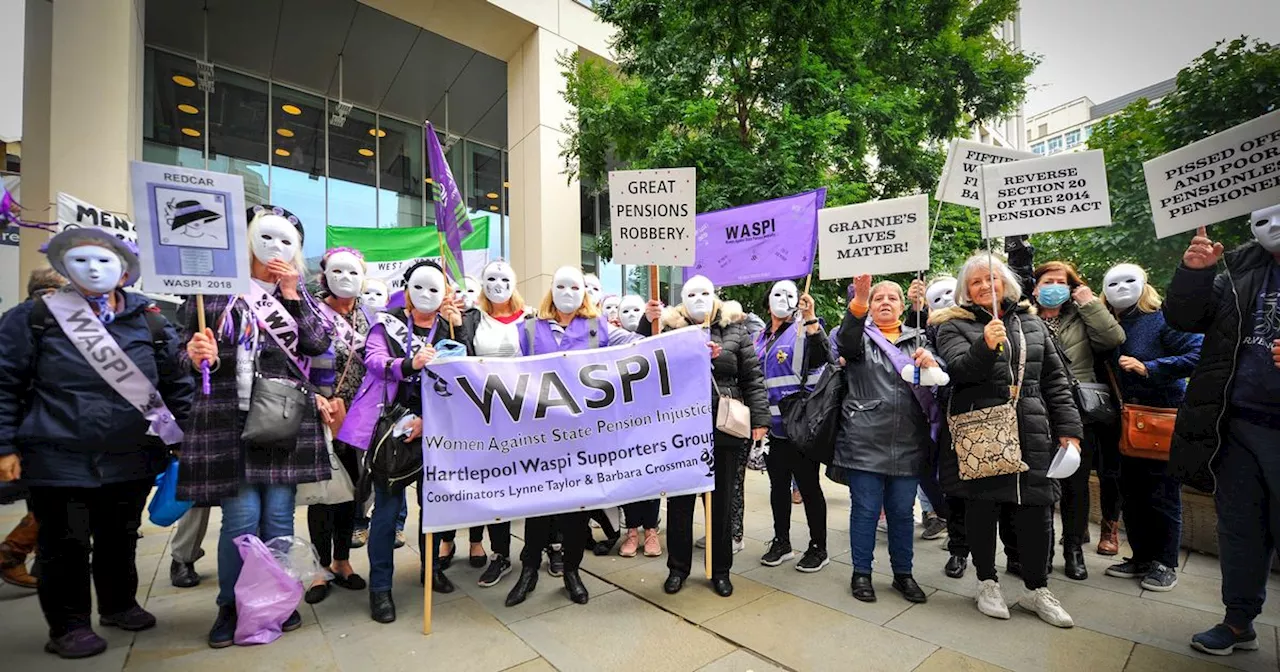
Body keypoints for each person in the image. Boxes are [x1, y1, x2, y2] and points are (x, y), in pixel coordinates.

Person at [0, 228, 194, 658]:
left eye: (106, 261)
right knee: (64, 542)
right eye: (83, 259)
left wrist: (183, 437)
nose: (93, 268)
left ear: (125, 272)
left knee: (120, 535)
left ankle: (118, 604)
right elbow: (4, 383)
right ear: (65, 264)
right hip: (57, 452)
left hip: (132, 454)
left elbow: (176, 383)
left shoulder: (151, 321)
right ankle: (68, 625)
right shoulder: (35, 317)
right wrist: (4, 446)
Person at [181, 205, 332, 648]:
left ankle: (277, 602)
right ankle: (231, 606)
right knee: (241, 520)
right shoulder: (214, 293)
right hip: (232, 420)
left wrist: (291, 293)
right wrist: (194, 356)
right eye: (267, 238)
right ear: (248, 240)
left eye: (288, 242)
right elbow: (179, 356)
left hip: (284, 423)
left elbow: (319, 345)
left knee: (280, 520)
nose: (276, 248)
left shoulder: (299, 294)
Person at [932, 253, 1081, 628]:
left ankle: (1036, 588)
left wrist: (1069, 430)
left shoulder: (1031, 324)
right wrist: (984, 344)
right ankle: (987, 582)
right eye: (976, 281)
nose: (985, 286)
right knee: (983, 508)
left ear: (1006, 283)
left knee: (1036, 510)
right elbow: (960, 373)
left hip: (1031, 425)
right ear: (965, 291)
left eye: (991, 278)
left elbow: (1055, 381)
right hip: (981, 427)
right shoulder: (952, 326)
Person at [503, 267, 658, 608]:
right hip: (541, 439)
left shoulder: (598, 327)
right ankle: (529, 571)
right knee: (538, 508)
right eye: (561, 285)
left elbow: (642, 345)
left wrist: (664, 329)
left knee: (575, 511)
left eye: (575, 286)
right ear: (551, 291)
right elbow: (506, 373)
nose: (568, 292)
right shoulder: (528, 330)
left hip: (581, 439)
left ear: (584, 293)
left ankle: (572, 571)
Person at [1169, 211, 1280, 656]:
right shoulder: (1237, 267)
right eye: (1262, 215)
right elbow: (1184, 319)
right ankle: (1239, 621)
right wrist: (1194, 275)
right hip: (1236, 425)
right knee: (1240, 528)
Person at [338, 260, 472, 624]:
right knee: (385, 512)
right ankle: (380, 588)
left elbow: (464, 377)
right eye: (421, 287)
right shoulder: (387, 323)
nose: (427, 295)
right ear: (408, 288)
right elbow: (375, 361)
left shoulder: (450, 328)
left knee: (435, 508)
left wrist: (459, 332)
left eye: (435, 288)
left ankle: (432, 571)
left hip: (437, 430)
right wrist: (410, 363)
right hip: (392, 430)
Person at [639, 275, 769, 596]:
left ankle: (720, 569)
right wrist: (648, 324)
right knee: (681, 504)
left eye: (705, 293)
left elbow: (752, 377)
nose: (699, 299)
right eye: (692, 294)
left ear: (715, 296)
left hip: (723, 428)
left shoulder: (735, 330)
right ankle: (678, 569)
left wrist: (760, 419)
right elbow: (645, 360)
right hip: (682, 431)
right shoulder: (669, 329)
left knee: (721, 503)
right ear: (683, 300)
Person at [833, 275, 940, 604]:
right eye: (878, 298)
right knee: (865, 510)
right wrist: (859, 301)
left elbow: (939, 375)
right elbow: (844, 343)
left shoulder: (918, 340)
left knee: (902, 512)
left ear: (902, 305)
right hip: (864, 440)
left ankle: (903, 575)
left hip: (908, 441)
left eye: (892, 298)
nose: (885, 302)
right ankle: (861, 573)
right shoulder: (856, 337)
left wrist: (932, 363)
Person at [1099, 264, 1200, 593]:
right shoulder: (1107, 324)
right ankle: (1141, 556)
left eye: (1130, 280)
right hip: (1122, 420)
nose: (1122, 287)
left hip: (1160, 417)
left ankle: (1165, 562)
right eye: (1114, 282)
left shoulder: (1162, 319)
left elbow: (1198, 352)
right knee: (1131, 492)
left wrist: (1151, 368)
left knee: (1162, 493)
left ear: (1144, 285)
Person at [1028, 260, 1126, 580]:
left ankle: (1073, 550)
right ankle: (1043, 549)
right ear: (1035, 287)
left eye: (1061, 281)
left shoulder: (1081, 315)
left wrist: (1090, 303)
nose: (1054, 286)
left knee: (1075, 484)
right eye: (1047, 281)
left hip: (1076, 413)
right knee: (1040, 485)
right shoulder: (1024, 316)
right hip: (1034, 410)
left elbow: (1113, 338)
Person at [303, 248, 375, 604]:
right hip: (319, 411)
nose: (346, 279)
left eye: (353, 273)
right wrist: (314, 396)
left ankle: (341, 559)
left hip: (356, 417)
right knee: (321, 494)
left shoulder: (369, 316)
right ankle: (317, 568)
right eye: (338, 272)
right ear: (325, 274)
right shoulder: (310, 310)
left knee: (350, 492)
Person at [0, 267, 68, 591]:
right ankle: (10, 555)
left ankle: (42, 565)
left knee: (47, 504)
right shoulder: (30, 319)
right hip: (38, 428)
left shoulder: (17, 317)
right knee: (50, 505)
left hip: (36, 427)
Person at [755, 280, 831, 572]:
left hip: (799, 426)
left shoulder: (803, 329)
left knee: (809, 488)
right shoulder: (759, 338)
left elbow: (823, 354)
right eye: (777, 293)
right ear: (767, 301)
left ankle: (818, 547)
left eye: (790, 294)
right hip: (771, 429)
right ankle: (781, 541)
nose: (783, 299)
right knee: (778, 488)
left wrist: (810, 318)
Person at [468, 259, 525, 587]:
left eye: (504, 278)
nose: (498, 284)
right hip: (488, 417)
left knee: (538, 480)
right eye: (491, 278)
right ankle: (500, 553)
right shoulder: (470, 320)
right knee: (497, 485)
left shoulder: (531, 319)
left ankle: (549, 546)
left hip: (526, 417)